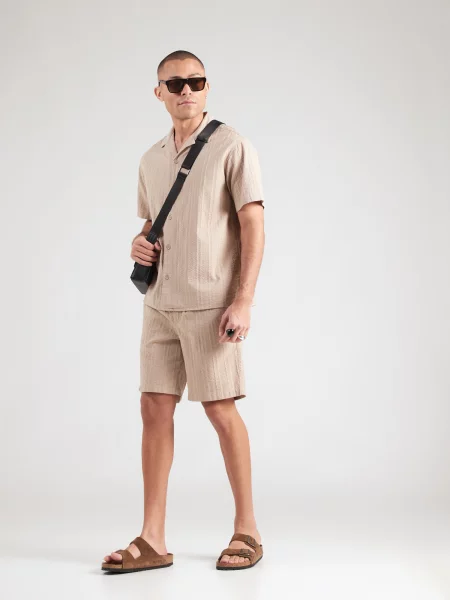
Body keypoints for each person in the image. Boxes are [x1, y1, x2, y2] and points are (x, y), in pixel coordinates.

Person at [102, 49, 265, 573]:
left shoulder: (231, 146)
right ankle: (152, 538)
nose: (187, 90)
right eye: (175, 84)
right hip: (160, 304)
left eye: (196, 81)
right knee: (154, 408)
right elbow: (153, 223)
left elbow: (253, 222)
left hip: (211, 303)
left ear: (207, 87)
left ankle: (247, 529)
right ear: (159, 93)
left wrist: (243, 299)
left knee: (220, 410)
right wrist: (139, 242)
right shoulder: (151, 159)